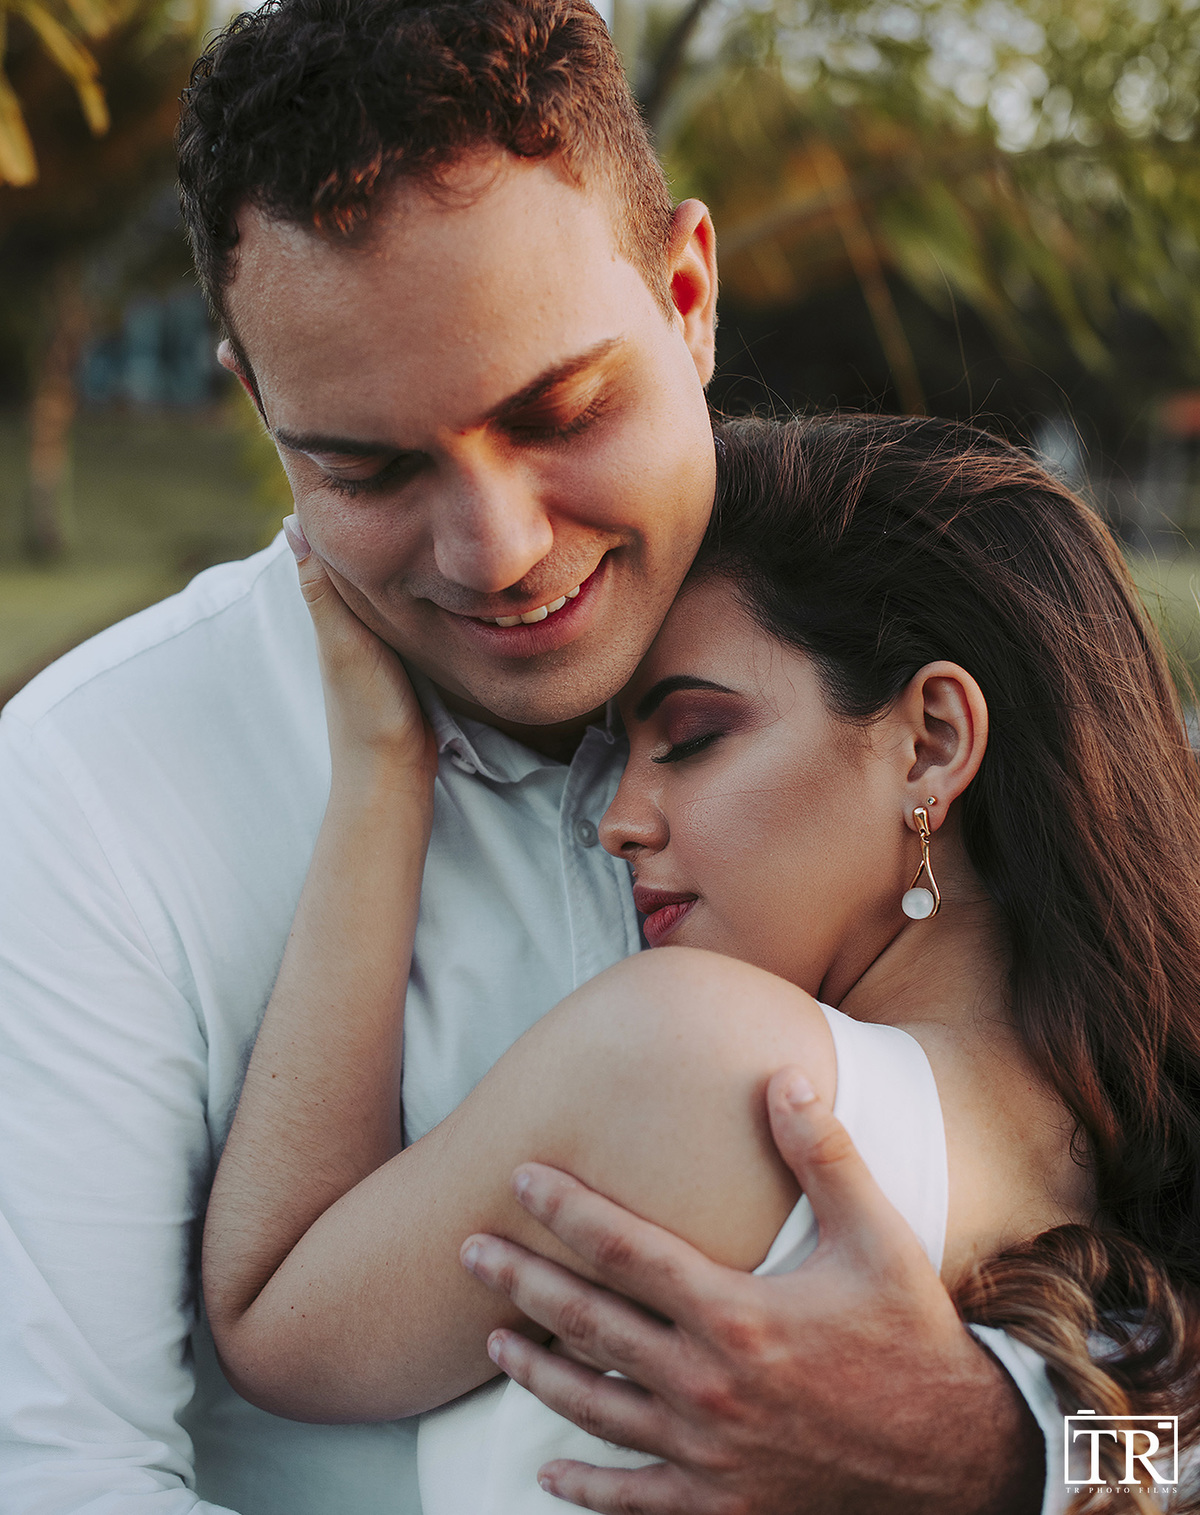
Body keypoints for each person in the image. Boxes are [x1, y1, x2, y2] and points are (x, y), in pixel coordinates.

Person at [0, 1, 1049, 1511]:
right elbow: (56, 1471)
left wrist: (1021, 1448)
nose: (497, 550)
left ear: (687, 293)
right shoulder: (94, 788)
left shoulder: (913, 636)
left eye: (560, 411)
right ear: (258, 406)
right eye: (368, 466)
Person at [198, 413, 1200, 1515]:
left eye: (689, 738)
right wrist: (1026, 1456)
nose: (618, 820)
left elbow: (270, 1322)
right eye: (621, 755)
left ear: (932, 742)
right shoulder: (1127, 1203)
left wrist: (386, 775)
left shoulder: (704, 1061)